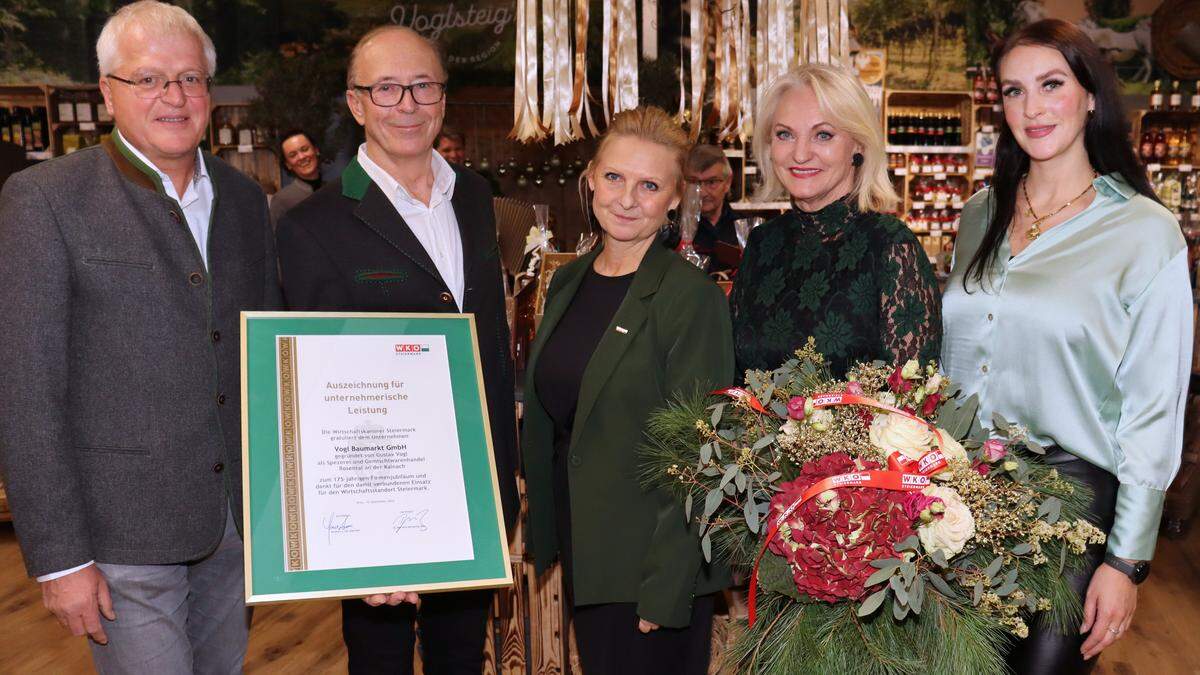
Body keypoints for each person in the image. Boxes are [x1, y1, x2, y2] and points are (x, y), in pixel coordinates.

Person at [0, 2, 280, 672]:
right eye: (148, 79)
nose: (174, 97)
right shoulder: (45, 199)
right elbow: (25, 387)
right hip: (119, 536)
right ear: (107, 92)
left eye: (189, 79)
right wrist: (60, 557)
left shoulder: (245, 201)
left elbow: (262, 358)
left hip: (233, 528)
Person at [942, 19, 1190, 673]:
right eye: (1014, 91)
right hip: (961, 495)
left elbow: (1152, 406)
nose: (1033, 107)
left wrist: (1126, 559)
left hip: (1070, 506)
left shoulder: (1144, 232)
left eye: (1051, 84)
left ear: (1088, 94)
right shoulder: (977, 215)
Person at [275, 25, 518, 675]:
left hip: (470, 488)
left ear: (443, 97)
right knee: (380, 660)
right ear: (355, 104)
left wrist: (504, 477)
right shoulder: (313, 224)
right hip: (375, 507)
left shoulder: (473, 195)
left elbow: (486, 336)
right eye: (386, 88)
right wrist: (360, 534)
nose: (406, 103)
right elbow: (315, 389)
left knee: (463, 656)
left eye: (422, 85)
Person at [521, 106, 733, 675]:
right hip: (586, 548)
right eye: (614, 177)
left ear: (673, 198)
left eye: (648, 185)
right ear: (590, 177)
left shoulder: (691, 299)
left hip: (650, 568)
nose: (626, 198)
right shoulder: (567, 280)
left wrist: (667, 588)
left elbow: (700, 453)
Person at [731, 64, 941, 378]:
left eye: (823, 135)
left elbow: (911, 402)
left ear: (858, 144)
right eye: (785, 134)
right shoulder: (762, 243)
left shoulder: (890, 246)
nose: (800, 154)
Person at [685, 143, 739, 267]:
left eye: (711, 182)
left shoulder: (745, 229)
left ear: (728, 183)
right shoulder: (673, 232)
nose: (702, 193)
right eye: (694, 182)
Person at [269, 129, 323, 225]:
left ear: (316, 150)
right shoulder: (281, 200)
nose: (301, 157)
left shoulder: (335, 189)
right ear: (287, 164)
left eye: (305, 149)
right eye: (293, 155)